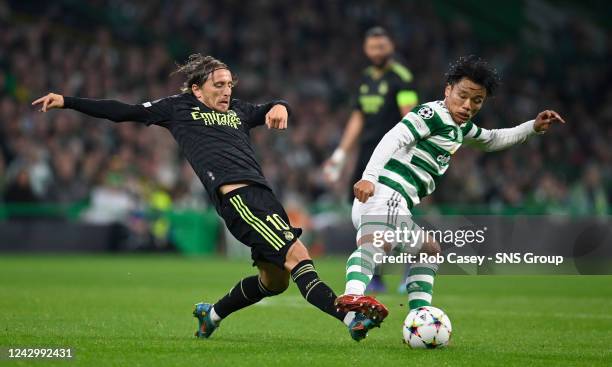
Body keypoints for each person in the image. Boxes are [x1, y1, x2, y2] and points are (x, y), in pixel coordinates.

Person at [32, 54, 386, 341]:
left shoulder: (238, 112)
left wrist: (281, 105)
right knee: (298, 257)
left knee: (273, 283)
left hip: (263, 196)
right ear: (197, 89)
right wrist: (67, 101)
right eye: (219, 85)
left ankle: (211, 315)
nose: (226, 91)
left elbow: (269, 107)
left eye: (230, 85)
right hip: (239, 200)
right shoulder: (178, 108)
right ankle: (350, 317)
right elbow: (124, 111)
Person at [334, 55, 565, 332]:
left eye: (476, 101)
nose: (467, 106)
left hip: (391, 200)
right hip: (387, 192)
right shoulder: (431, 115)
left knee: (429, 250)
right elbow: (394, 137)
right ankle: (353, 297)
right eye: (462, 96)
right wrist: (369, 177)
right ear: (448, 90)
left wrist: (531, 127)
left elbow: (491, 139)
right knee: (378, 244)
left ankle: (414, 318)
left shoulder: (459, 127)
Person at [323, 26, 419, 293]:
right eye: (373, 47)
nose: (377, 51)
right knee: (365, 213)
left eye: (382, 46)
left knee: (392, 212)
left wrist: (409, 155)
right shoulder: (365, 78)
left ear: (391, 47)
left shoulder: (402, 77)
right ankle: (376, 275)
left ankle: (414, 260)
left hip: (392, 156)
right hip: (366, 156)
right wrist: (341, 154)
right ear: (366, 49)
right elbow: (358, 117)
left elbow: (409, 116)